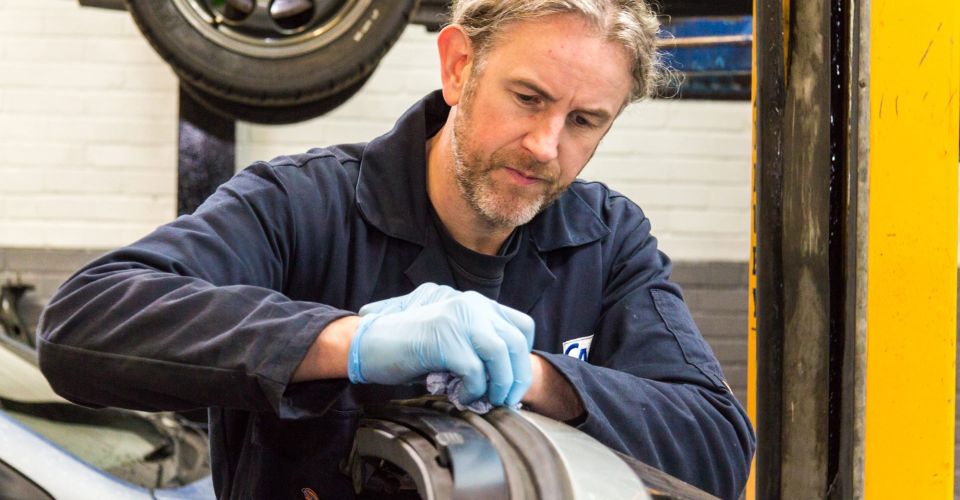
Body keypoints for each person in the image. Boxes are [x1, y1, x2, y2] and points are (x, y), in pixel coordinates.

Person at [37, 1, 755, 498]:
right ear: (458, 65)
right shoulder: (301, 206)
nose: (546, 146)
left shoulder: (607, 240)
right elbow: (82, 327)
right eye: (528, 98)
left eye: (585, 120)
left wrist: (542, 380)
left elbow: (718, 446)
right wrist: (347, 342)